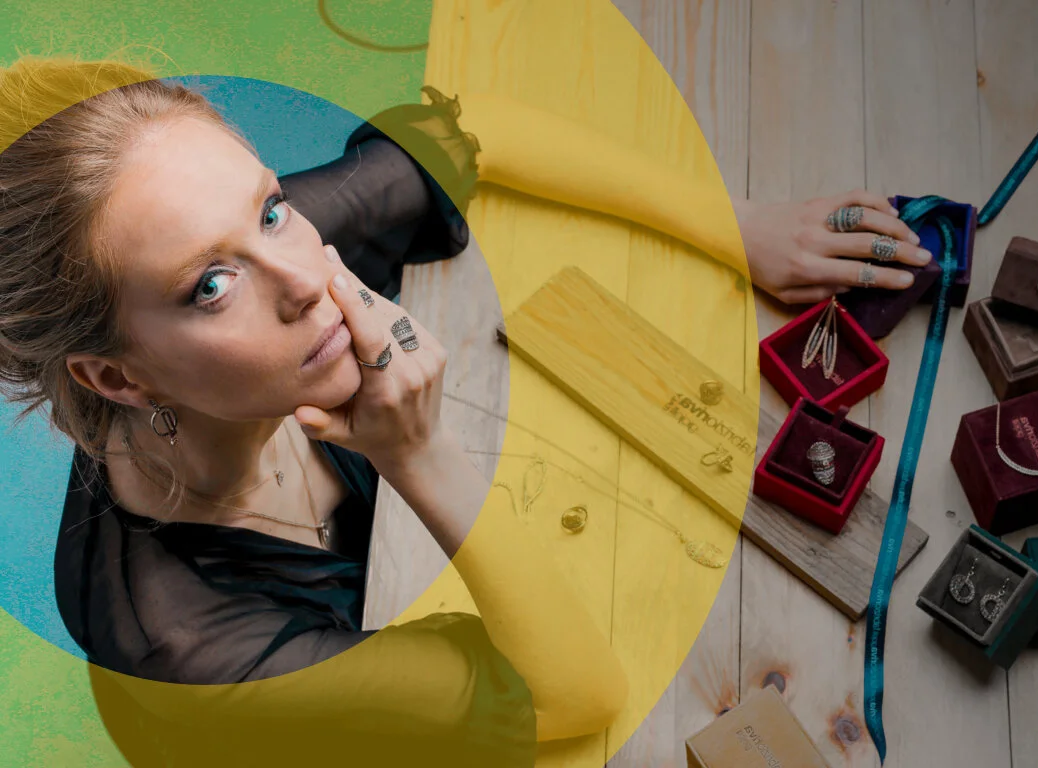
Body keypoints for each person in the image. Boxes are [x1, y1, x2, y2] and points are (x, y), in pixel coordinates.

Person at [0, 54, 926, 765]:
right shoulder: (192, 648)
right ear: (118, 380)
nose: (308, 280)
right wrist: (417, 451)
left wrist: (738, 223)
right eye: (211, 285)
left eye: (272, 208)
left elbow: (473, 128)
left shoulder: (266, 264)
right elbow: (575, 696)